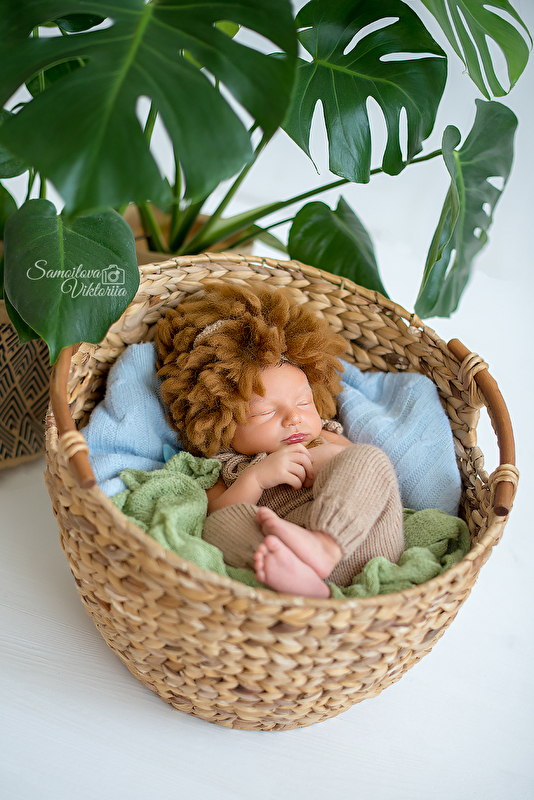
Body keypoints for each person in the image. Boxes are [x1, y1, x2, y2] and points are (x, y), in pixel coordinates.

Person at [155, 281, 404, 598]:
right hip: (286, 559)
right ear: (224, 421)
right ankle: (311, 589)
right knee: (220, 523)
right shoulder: (224, 466)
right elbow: (213, 515)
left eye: (304, 403)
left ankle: (325, 545)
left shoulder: (323, 437)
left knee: (369, 458)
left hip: (364, 542)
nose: (293, 417)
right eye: (264, 412)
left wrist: (323, 458)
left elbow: (364, 475)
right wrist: (256, 478)